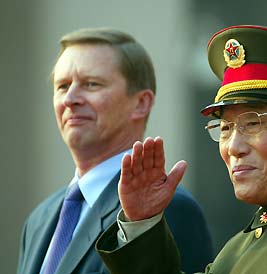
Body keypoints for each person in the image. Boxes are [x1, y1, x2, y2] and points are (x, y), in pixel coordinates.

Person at [95, 25, 267, 274]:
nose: (233, 147)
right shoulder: (245, 242)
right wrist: (142, 222)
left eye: (253, 123)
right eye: (226, 128)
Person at [17, 28, 213, 274]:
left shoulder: (164, 208)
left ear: (141, 103)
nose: (70, 99)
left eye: (91, 84)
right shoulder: (39, 219)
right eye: (62, 86)